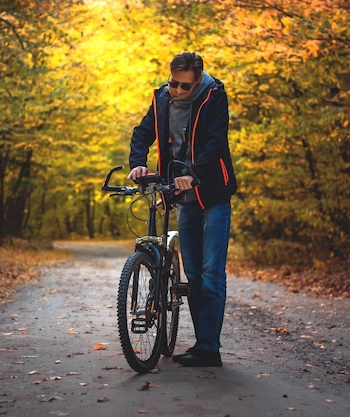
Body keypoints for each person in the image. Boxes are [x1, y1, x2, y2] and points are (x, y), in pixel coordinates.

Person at [127, 52, 237, 367]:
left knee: (210, 273)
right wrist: (138, 164)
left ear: (198, 80)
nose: (176, 90)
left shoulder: (214, 97)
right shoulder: (162, 98)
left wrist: (192, 173)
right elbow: (142, 133)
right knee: (193, 274)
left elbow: (215, 143)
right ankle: (203, 346)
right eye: (173, 83)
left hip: (212, 193)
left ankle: (208, 348)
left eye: (183, 86)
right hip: (182, 196)